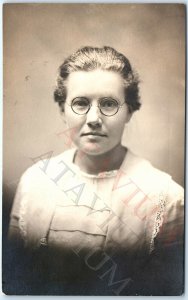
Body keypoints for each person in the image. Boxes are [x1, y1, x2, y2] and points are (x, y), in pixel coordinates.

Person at [7, 46, 184, 295]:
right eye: (80, 103)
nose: (93, 118)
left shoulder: (167, 197)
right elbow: (14, 283)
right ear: (62, 110)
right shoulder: (34, 181)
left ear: (130, 110)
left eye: (109, 104)